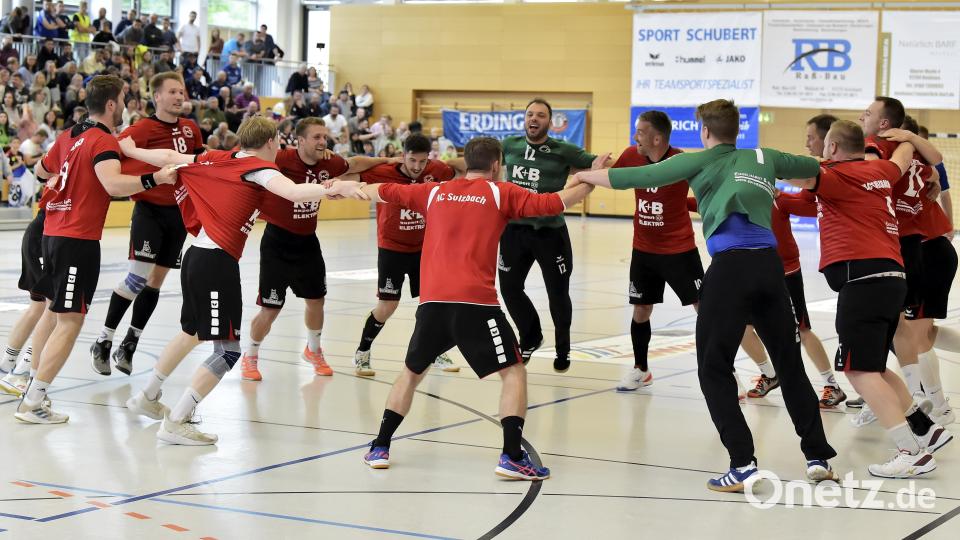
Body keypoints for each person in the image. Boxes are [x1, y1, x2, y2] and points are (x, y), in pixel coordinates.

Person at [574, 99, 838, 492]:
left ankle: (742, 463)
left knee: (714, 368)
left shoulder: (695, 160)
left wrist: (584, 174)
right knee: (790, 364)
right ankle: (817, 457)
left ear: (706, 131)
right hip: (770, 268)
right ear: (737, 129)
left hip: (729, 268)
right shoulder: (764, 156)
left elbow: (634, 177)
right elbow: (814, 167)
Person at [119, 117, 366, 444]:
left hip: (196, 255)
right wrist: (335, 187)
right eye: (278, 142)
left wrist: (132, 150)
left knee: (191, 333)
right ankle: (176, 421)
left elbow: (168, 157)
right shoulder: (259, 168)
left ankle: (148, 397)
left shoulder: (220, 157)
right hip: (216, 262)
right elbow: (293, 193)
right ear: (271, 142)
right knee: (227, 352)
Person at [359, 136, 593, 479]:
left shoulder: (434, 191)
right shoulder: (501, 193)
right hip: (476, 305)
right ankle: (511, 456)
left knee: (411, 374)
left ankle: (380, 446)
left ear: (467, 162)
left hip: (433, 304)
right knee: (513, 372)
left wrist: (335, 188)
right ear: (497, 165)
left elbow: (379, 191)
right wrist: (590, 180)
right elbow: (556, 202)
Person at [782, 120, 952, 478]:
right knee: (873, 366)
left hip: (862, 281)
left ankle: (911, 453)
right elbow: (904, 157)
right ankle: (927, 430)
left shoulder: (835, 175)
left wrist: (754, 165)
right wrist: (907, 138)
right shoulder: (881, 171)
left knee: (857, 370)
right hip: (891, 278)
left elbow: (789, 171)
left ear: (832, 148)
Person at [14, 75, 177, 424]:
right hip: (77, 240)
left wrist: (64, 178)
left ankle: (30, 387)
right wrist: (155, 179)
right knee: (71, 321)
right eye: (124, 100)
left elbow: (41, 171)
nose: (126, 106)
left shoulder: (68, 136)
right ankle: (33, 401)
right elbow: (113, 184)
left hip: (52, 233)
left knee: (54, 314)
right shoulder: (102, 140)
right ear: (111, 104)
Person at [239, 118, 389, 381]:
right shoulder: (280, 159)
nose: (323, 142)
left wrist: (388, 160)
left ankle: (314, 350)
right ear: (300, 140)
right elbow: (247, 160)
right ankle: (250, 356)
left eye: (325, 137)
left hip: (307, 242)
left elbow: (354, 163)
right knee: (270, 308)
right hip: (276, 242)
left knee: (316, 300)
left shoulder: (329, 163)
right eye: (317, 137)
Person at [89, 72, 204, 376]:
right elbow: (110, 153)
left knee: (156, 282)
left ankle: (130, 343)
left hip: (178, 215)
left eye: (181, 91)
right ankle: (103, 339)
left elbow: (197, 166)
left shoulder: (191, 129)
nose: (179, 97)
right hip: (149, 212)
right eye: (172, 91)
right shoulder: (141, 128)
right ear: (157, 97)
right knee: (136, 279)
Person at [741, 113, 848, 408]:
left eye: (811, 137)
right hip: (757, 270)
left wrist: (787, 192)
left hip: (787, 270)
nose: (806, 142)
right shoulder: (744, 198)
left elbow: (808, 205)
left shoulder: (805, 185)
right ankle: (769, 373)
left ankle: (831, 384)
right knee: (742, 326)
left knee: (801, 329)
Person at [499, 98, 609, 372]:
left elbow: (598, 164)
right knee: (509, 288)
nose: (534, 119)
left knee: (558, 293)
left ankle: (563, 349)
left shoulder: (563, 150)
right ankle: (530, 336)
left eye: (540, 115)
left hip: (550, 234)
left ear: (549, 121)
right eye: (530, 114)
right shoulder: (509, 145)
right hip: (514, 231)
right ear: (524, 118)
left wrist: (634, 165)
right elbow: (477, 162)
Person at [339, 134, 462, 376]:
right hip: (392, 249)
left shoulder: (437, 170)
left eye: (422, 161)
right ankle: (362, 352)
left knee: (432, 303)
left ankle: (435, 351)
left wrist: (451, 161)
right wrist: (383, 159)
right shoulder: (384, 171)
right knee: (387, 306)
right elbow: (347, 169)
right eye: (412, 160)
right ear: (402, 155)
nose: (417, 167)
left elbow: (467, 167)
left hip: (424, 249)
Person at [0, 187, 58, 396]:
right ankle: (21, 372)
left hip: (41, 236)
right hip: (45, 237)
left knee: (38, 308)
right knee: (53, 311)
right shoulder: (69, 172)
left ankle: (7, 367)